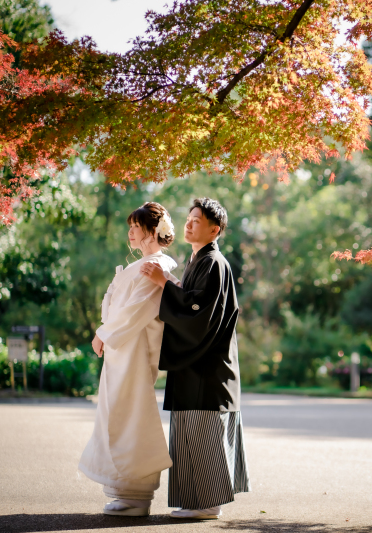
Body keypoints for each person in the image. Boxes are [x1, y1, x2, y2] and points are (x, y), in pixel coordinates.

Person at [140, 197, 250, 520]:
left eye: (197, 220)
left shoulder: (215, 263)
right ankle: (196, 501)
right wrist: (171, 283)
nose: (189, 223)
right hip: (196, 365)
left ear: (215, 230)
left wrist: (164, 283)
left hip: (209, 368)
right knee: (190, 431)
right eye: (188, 218)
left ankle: (207, 503)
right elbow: (189, 300)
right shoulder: (197, 262)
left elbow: (197, 311)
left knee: (202, 431)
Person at [79, 202, 179, 517]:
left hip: (134, 349)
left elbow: (137, 311)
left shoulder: (159, 265)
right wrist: (106, 329)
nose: (130, 232)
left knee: (133, 412)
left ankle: (137, 494)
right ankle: (123, 491)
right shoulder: (141, 265)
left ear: (152, 229)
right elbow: (117, 306)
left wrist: (104, 334)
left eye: (135, 226)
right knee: (116, 414)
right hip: (122, 350)